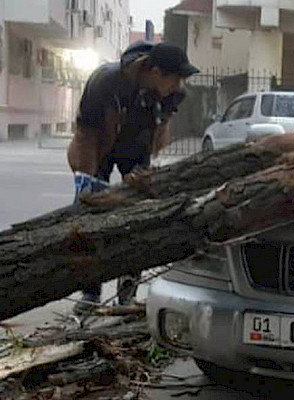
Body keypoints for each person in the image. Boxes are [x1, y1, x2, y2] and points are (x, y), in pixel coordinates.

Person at [67, 41, 199, 315]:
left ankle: (126, 295)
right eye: (175, 78)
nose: (179, 86)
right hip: (100, 145)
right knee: (89, 219)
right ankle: (90, 294)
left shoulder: (174, 94)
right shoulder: (106, 81)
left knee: (137, 221)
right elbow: (85, 134)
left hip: (135, 150)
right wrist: (86, 179)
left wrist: (150, 158)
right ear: (155, 72)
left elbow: (161, 133)